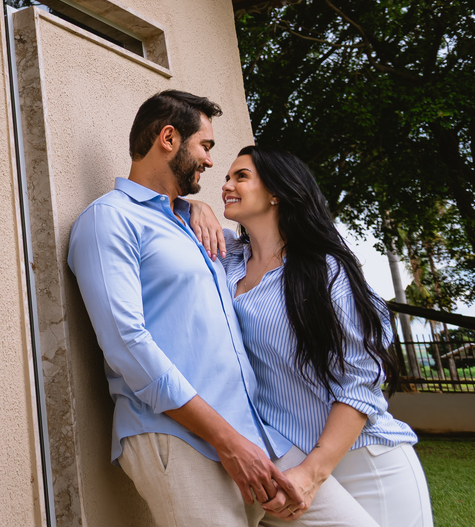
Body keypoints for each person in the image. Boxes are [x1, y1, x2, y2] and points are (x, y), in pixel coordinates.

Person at [68, 90, 378, 527]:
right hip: (181, 437)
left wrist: (197, 206)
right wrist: (226, 440)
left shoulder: (196, 225)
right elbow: (126, 344)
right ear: (169, 138)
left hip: (256, 433)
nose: (211, 163)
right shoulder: (109, 220)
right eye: (206, 146)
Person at [189, 146, 432, 526]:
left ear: (276, 192)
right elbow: (165, 216)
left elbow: (359, 381)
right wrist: (194, 208)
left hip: (363, 460)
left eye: (240, 176)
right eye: (226, 177)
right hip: (287, 457)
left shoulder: (325, 271)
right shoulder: (228, 259)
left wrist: (314, 471)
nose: (225, 185)